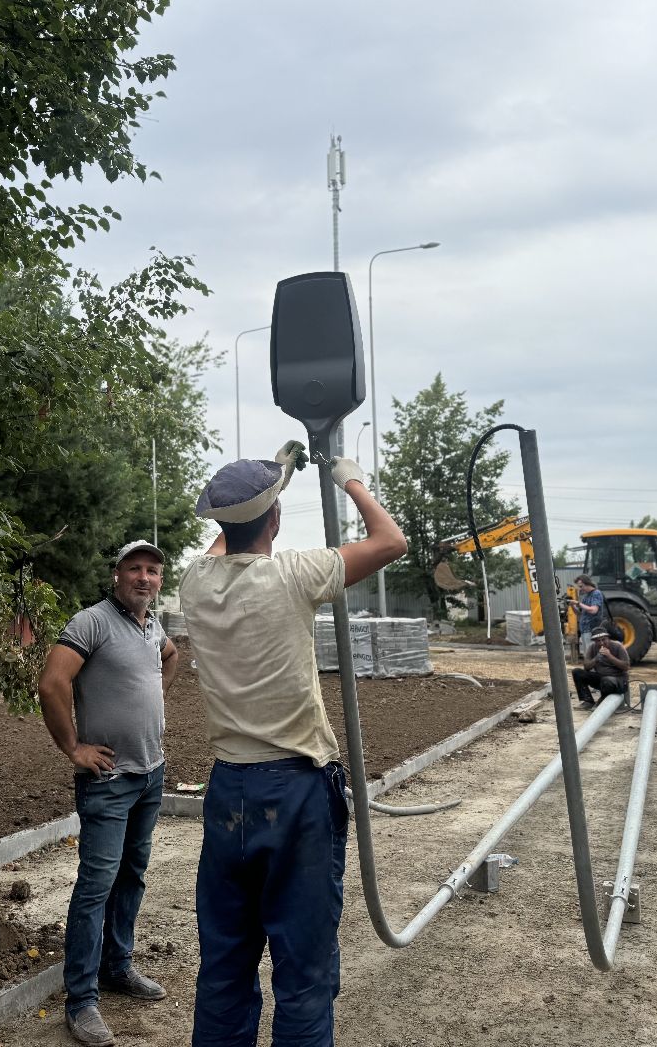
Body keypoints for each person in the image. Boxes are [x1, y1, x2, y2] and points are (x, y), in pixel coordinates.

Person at [179, 441, 408, 1047]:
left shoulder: (195, 584)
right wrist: (351, 482)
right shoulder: (293, 575)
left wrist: (270, 476)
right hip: (296, 789)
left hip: (228, 790)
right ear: (276, 522)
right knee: (303, 976)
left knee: (225, 964)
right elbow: (391, 542)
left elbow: (220, 545)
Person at [38, 539, 180, 1047]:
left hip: (150, 774)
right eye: (134, 568)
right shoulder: (91, 622)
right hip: (109, 781)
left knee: (131, 876)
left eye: (153, 571)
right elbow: (52, 684)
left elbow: (171, 656)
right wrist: (73, 747)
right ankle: (81, 1002)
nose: (144, 577)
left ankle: (117, 967)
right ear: (116, 574)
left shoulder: (150, 626)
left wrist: (155, 697)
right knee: (95, 886)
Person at [572, 626, 630, 709]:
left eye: (603, 639)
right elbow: (586, 667)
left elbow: (626, 667)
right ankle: (588, 700)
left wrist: (610, 656)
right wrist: (596, 658)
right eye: (598, 641)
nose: (601, 643)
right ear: (595, 641)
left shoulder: (617, 646)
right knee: (577, 672)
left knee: (607, 680)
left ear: (608, 638)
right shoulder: (592, 647)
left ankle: (603, 699)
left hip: (618, 680)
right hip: (602, 679)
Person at [566, 574, 607, 658]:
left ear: (587, 583)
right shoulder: (586, 596)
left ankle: (593, 670)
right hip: (585, 629)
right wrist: (572, 605)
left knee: (591, 654)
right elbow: (580, 613)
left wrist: (578, 603)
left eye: (581, 586)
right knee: (587, 654)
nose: (580, 589)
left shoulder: (596, 593)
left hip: (592, 629)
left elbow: (593, 610)